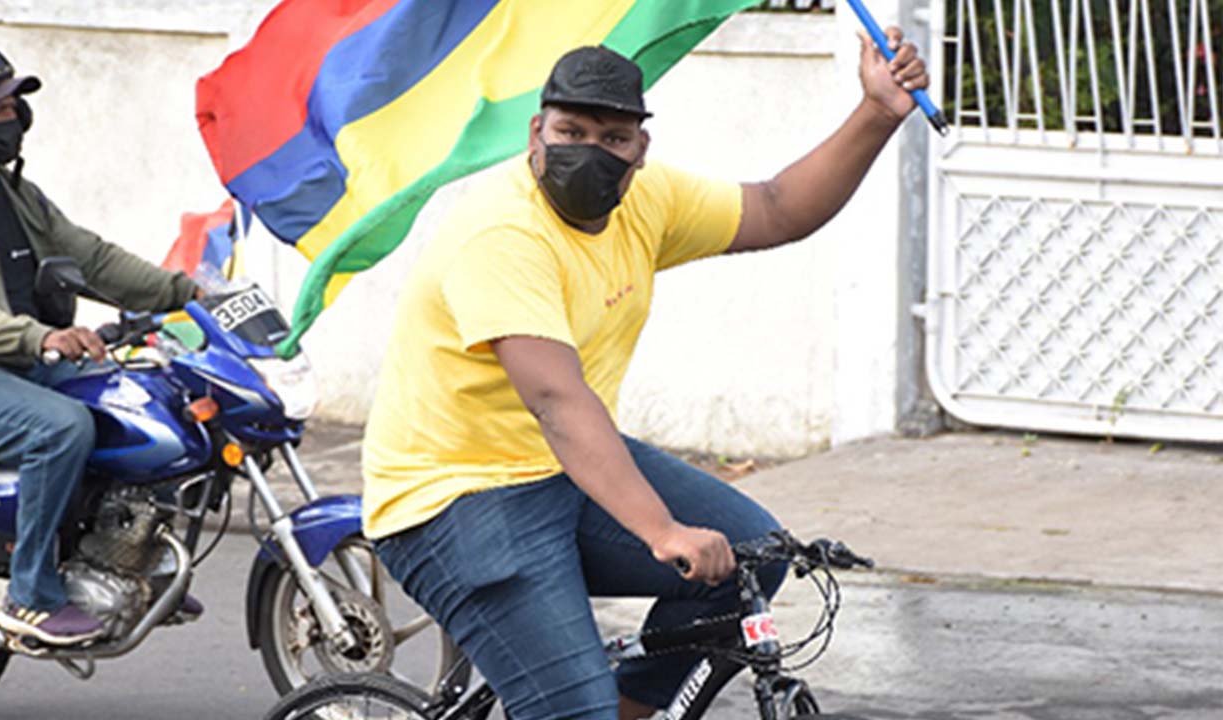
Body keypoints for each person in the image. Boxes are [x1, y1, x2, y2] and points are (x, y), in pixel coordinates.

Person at [361, 29, 929, 720]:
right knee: (573, 711)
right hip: (455, 499)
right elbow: (556, 401)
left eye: (612, 138)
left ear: (639, 150)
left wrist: (875, 112)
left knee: (753, 556)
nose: (589, 152)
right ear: (536, 133)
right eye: (571, 130)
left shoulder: (645, 201)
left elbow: (779, 207)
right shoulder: (503, 234)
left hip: (562, 472)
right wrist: (663, 531)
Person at [0, 41, 201, 645]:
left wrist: (188, 294)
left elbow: (92, 257)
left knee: (153, 398)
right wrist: (43, 337)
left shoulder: (13, 194)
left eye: (14, 105)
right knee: (60, 428)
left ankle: (128, 557)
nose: (13, 117)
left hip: (17, 366)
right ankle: (31, 595)